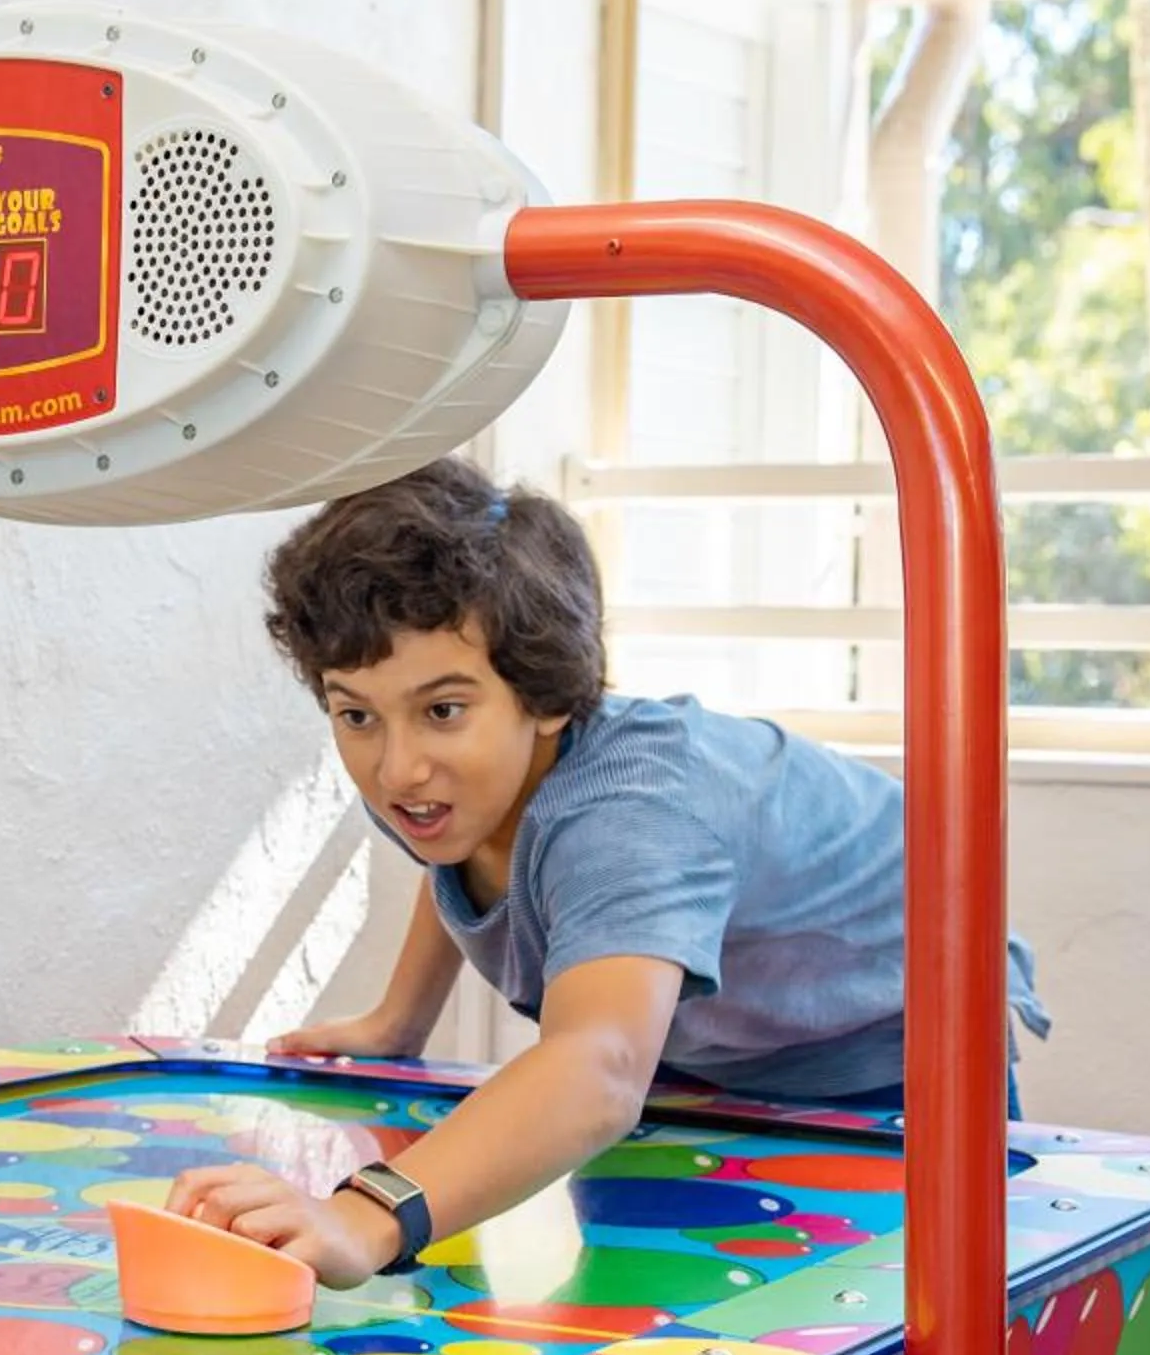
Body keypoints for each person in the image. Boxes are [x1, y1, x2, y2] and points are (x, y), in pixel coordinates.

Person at [169, 455, 1046, 1286]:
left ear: (544, 696)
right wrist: (401, 1020)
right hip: (704, 1050)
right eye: (355, 714)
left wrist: (369, 1215)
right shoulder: (438, 784)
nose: (396, 767)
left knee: (873, 1328)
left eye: (442, 708)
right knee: (657, 1293)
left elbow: (599, 1065)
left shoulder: (629, 816)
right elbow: (469, 869)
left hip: (896, 1048)